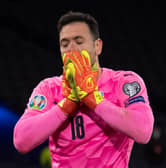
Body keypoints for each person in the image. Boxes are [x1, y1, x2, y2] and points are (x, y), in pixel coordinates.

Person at [13, 11, 154, 168]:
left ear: (97, 46)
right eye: (64, 44)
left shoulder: (123, 82)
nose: (71, 49)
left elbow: (143, 131)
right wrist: (67, 105)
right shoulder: (49, 88)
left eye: (79, 42)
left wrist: (92, 99)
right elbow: (21, 141)